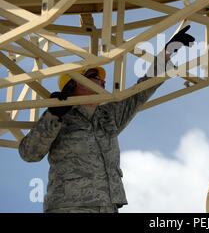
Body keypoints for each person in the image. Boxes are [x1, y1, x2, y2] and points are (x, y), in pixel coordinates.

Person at [18, 26, 195, 213]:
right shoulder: (59, 119)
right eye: (94, 77)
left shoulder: (107, 116)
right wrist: (53, 115)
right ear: (73, 84)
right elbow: (29, 153)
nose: (103, 82)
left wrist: (166, 54)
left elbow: (141, 91)